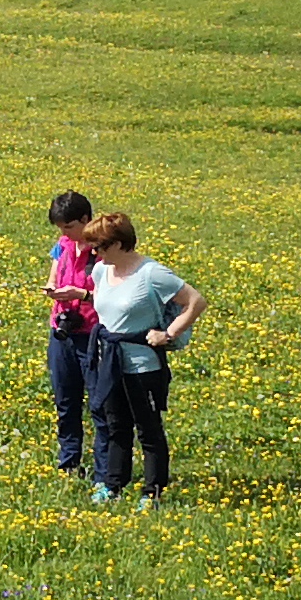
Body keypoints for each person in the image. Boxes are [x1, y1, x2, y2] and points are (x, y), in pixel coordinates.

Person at [82, 213, 204, 509]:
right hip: (109, 360)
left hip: (142, 364)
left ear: (119, 244)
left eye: (98, 247)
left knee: (148, 429)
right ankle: (113, 486)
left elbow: (196, 301)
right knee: (115, 426)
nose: (94, 253)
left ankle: (153, 493)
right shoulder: (101, 271)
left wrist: (169, 333)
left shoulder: (152, 273)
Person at [43, 190, 106, 477]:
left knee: (99, 404)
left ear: (85, 219)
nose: (65, 233)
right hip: (62, 329)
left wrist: (80, 294)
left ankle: (104, 471)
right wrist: (52, 288)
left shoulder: (104, 248)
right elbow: (55, 269)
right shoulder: (64, 243)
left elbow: (113, 295)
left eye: (69, 226)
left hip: (94, 332)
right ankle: (69, 464)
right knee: (65, 402)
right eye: (60, 228)